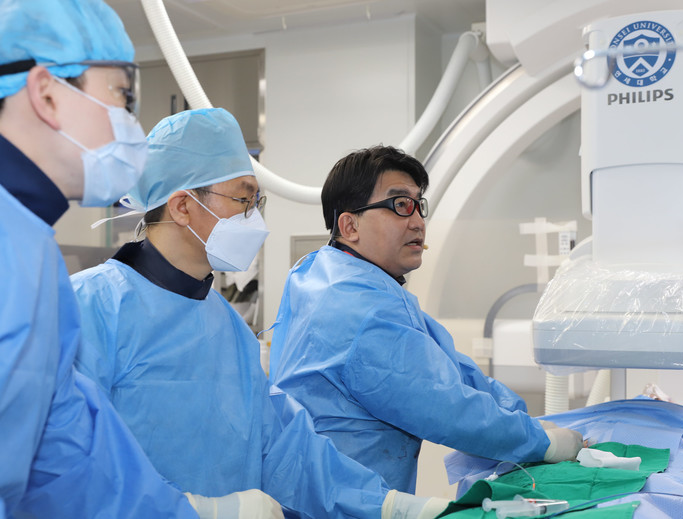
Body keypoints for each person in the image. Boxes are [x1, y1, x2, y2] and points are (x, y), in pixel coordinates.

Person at [71, 108, 450, 519]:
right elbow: (61, 460)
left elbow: (287, 449)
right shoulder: (88, 308)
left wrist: (390, 506)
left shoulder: (227, 327)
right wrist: (192, 511)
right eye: (243, 199)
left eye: (256, 201)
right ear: (182, 206)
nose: (254, 216)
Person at [269, 145, 584, 494]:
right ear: (350, 225)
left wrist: (523, 419)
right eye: (400, 204)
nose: (418, 221)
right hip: (345, 500)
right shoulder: (359, 309)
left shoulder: (328, 275)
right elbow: (447, 407)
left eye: (419, 205)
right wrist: (543, 442)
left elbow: (451, 369)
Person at [0, 0, 200, 517]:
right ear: (46, 93)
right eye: (122, 96)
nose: (130, 124)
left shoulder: (30, 244)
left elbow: (63, 443)